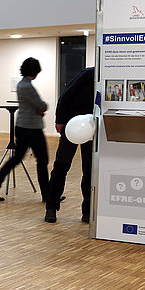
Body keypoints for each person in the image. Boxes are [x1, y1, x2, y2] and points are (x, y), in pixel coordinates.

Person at [0, 57, 50, 202]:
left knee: (16, 159)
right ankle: (48, 194)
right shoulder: (27, 86)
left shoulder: (22, 84)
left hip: (23, 126)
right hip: (32, 128)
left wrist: (39, 108)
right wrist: (43, 107)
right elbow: (41, 105)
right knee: (42, 160)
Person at [44, 67, 94, 223]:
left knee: (89, 169)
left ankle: (87, 211)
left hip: (92, 128)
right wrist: (60, 120)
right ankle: (51, 207)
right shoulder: (88, 74)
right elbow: (65, 96)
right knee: (61, 166)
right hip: (72, 126)